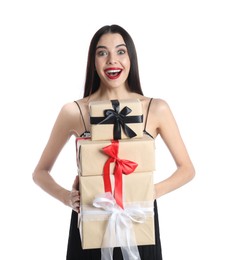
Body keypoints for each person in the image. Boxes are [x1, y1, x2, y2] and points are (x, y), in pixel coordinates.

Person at [32, 24, 195, 260]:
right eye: (102, 53)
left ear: (131, 57)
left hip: (139, 218)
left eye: (120, 51)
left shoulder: (155, 108)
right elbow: (40, 172)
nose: (112, 60)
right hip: (91, 219)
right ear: (93, 60)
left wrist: (149, 192)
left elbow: (187, 169)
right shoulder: (74, 111)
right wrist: (66, 197)